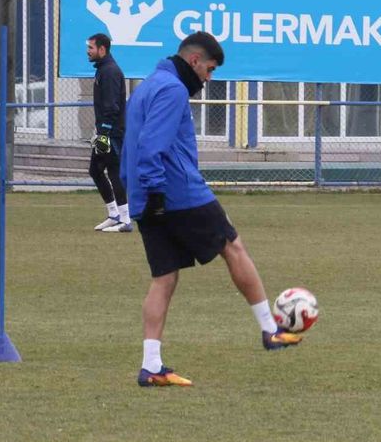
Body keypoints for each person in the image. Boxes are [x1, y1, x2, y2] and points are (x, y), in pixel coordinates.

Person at [120, 31, 301, 388]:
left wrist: (143, 195)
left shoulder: (147, 86)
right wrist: (158, 190)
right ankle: (270, 330)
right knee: (233, 247)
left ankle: (151, 366)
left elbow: (133, 146)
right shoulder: (172, 90)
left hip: (145, 196)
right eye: (210, 69)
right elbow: (150, 144)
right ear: (194, 62)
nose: (209, 78)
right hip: (177, 193)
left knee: (164, 278)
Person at [87, 33, 131, 233]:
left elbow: (112, 107)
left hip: (112, 133)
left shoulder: (111, 71)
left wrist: (103, 132)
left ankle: (126, 219)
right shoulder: (103, 70)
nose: (88, 51)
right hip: (104, 132)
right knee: (95, 170)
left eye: (91, 48)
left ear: (102, 49)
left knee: (114, 172)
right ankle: (113, 214)